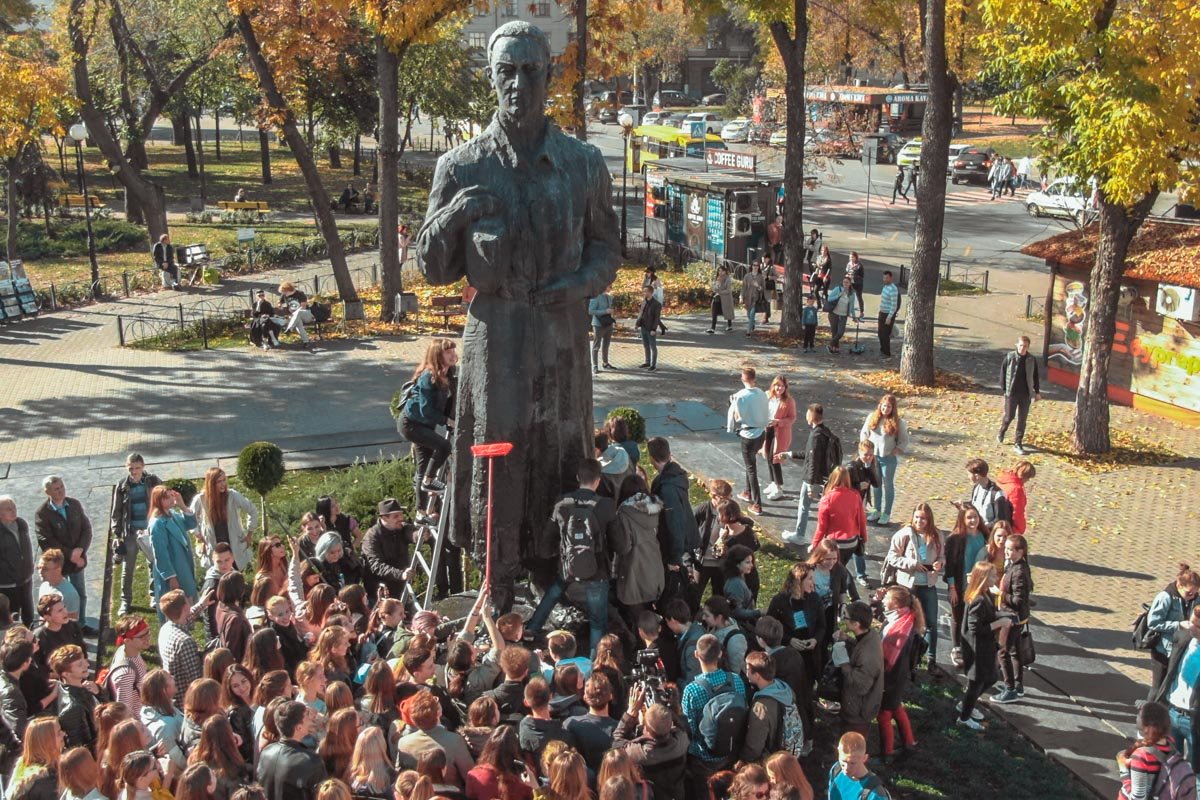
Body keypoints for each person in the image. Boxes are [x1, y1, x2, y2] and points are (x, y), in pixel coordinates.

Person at [415, 22, 620, 615]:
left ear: (548, 76)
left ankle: (555, 575)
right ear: (491, 77)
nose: (518, 84)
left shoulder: (583, 163)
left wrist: (577, 285)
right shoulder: (461, 165)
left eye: (530, 71)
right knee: (497, 455)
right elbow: (432, 267)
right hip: (495, 340)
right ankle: (496, 581)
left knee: (560, 448)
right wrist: (454, 215)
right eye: (506, 71)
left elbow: (608, 247)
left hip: (561, 338)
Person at [528, 459, 620, 655]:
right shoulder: (606, 505)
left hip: (567, 565)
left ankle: (532, 627)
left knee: (554, 592)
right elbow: (618, 542)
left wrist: (550, 554)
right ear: (598, 480)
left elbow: (548, 536)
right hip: (597, 570)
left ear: (578, 478)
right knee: (597, 621)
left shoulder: (562, 503)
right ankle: (595, 659)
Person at [680, 634, 746, 795]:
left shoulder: (692, 690)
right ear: (720, 654)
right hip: (732, 751)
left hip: (703, 757)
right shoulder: (736, 680)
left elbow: (690, 728)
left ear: (696, 655)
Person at [883, 504, 944, 667]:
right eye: (917, 517)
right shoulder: (904, 534)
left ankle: (931, 658)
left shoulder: (937, 535)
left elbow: (942, 556)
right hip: (907, 585)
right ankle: (906, 655)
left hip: (928, 584)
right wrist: (912, 564)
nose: (919, 521)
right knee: (906, 620)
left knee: (931, 622)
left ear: (929, 519)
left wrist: (939, 563)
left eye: (923, 518)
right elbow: (892, 557)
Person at [34, 475, 93, 634]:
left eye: (61, 487)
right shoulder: (42, 514)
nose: (60, 491)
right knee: (59, 597)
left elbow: (86, 529)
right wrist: (70, 553)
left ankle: (80, 625)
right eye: (56, 489)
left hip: (76, 560)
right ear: (47, 492)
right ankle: (62, 628)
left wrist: (80, 550)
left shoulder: (74, 504)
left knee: (79, 594)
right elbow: (46, 541)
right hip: (57, 564)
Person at [402, 340, 458, 504]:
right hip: (411, 424)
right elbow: (425, 410)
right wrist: (447, 421)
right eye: (448, 352)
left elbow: (448, 402)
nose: (453, 354)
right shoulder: (428, 377)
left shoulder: (449, 373)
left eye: (453, 350)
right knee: (444, 446)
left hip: (425, 425)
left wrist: (450, 421)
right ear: (438, 355)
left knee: (424, 465)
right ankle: (429, 480)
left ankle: (421, 511)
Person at [647, 438, 700, 606]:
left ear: (652, 459)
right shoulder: (675, 477)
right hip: (682, 543)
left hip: (677, 548)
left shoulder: (667, 488)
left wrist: (674, 558)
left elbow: (675, 523)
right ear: (669, 454)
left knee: (673, 593)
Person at [956, 563, 1009, 731]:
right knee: (976, 683)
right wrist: (999, 623)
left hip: (985, 647)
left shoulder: (985, 594)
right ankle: (964, 718)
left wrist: (1002, 616)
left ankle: (967, 704)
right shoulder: (978, 600)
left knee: (992, 677)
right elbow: (975, 629)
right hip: (976, 649)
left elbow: (987, 616)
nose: (996, 578)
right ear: (983, 578)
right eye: (993, 575)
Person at [612, 684, 688, 800]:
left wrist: (631, 712)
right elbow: (680, 726)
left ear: (646, 729)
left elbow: (616, 743)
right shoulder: (682, 741)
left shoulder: (638, 754)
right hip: (677, 794)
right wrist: (662, 709)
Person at [109, 454, 161, 616]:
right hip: (131, 532)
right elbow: (116, 511)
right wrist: (117, 533)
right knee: (128, 567)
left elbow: (163, 499)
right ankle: (125, 601)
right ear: (126, 467)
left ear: (143, 467)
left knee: (153, 564)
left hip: (150, 531)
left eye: (137, 468)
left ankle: (154, 596)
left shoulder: (153, 481)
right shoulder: (122, 486)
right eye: (131, 468)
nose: (134, 471)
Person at [876, 587, 924, 761]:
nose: (883, 601)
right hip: (898, 678)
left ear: (895, 603)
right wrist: (876, 600)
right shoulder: (903, 617)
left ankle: (887, 754)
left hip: (892, 678)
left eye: (886, 598)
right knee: (896, 707)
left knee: (884, 714)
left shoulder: (901, 630)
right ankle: (909, 743)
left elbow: (892, 658)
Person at [780, 404, 837, 548]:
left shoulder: (815, 436)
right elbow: (811, 455)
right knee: (825, 509)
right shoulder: (825, 432)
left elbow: (813, 461)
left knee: (804, 506)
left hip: (813, 479)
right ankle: (827, 537)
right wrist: (790, 454)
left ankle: (800, 535)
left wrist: (811, 483)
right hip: (824, 477)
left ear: (811, 416)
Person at [613, 474, 664, 624]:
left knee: (635, 618)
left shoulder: (624, 513)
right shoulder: (656, 509)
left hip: (633, 571)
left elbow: (624, 547)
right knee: (650, 615)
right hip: (654, 567)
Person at [1145, 564, 1200, 701]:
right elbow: (1153, 622)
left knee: (1171, 686)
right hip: (1163, 650)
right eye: (1189, 593)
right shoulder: (1165, 597)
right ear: (1179, 585)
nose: (1192, 596)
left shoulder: (1195, 599)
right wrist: (1178, 625)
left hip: (1181, 648)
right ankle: (1149, 711)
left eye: (1195, 593)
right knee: (1157, 688)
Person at [944, 504, 990, 668]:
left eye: (975, 517)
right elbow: (949, 566)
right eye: (969, 517)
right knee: (958, 616)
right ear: (962, 519)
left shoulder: (985, 535)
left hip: (979, 585)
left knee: (974, 616)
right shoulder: (954, 539)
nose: (973, 520)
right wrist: (952, 588)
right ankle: (957, 647)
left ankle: (971, 647)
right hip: (960, 584)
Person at [190, 468, 259, 571]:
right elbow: (190, 518)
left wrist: (249, 533)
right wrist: (198, 535)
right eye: (219, 482)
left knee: (235, 576)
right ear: (211, 483)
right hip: (214, 547)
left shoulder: (232, 495)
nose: (223, 484)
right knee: (217, 575)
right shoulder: (201, 499)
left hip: (233, 546)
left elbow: (252, 510)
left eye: (224, 480)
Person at [257, 701, 328, 800]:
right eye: (307, 715)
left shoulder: (266, 752)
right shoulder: (311, 762)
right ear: (298, 727)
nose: (311, 719)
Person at [834, 603, 883, 742]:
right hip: (855, 707)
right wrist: (847, 639)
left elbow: (860, 686)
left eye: (846, 617)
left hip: (859, 712)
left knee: (852, 745)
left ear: (856, 624)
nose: (843, 619)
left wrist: (843, 662)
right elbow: (860, 646)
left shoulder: (868, 655)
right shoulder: (870, 635)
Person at [860, 394, 910, 527]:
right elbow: (864, 433)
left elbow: (904, 440)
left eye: (889, 407)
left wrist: (897, 450)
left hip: (888, 459)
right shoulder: (872, 417)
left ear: (893, 408)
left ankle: (886, 513)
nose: (885, 409)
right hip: (874, 457)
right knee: (876, 484)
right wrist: (865, 446)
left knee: (888, 485)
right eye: (884, 406)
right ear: (880, 405)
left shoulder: (898, 422)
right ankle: (876, 510)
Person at [995, 533, 1033, 704]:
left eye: (1010, 549)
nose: (1006, 552)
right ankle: (1018, 686)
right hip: (1017, 617)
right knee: (1015, 651)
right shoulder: (1017, 565)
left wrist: (1000, 594)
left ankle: (1009, 689)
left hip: (1012, 617)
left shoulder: (1019, 571)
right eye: (1006, 548)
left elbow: (1018, 600)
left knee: (1003, 652)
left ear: (1020, 551)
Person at [739, 652, 796, 763]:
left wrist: (743, 759)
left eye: (747, 669)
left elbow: (754, 746)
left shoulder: (761, 707)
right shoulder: (784, 688)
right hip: (790, 747)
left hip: (773, 757)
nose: (746, 672)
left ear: (757, 676)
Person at [727, 367, 769, 515]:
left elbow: (737, 417)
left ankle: (757, 504)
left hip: (748, 436)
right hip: (761, 434)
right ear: (754, 378)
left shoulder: (740, 396)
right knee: (749, 463)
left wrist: (732, 403)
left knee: (751, 468)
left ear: (742, 379)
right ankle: (747, 491)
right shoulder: (762, 393)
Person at [1116, 702, 1176, 800]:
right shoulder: (1170, 744)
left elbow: (1137, 798)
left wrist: (1123, 770)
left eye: (1139, 714)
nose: (1137, 716)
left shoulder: (1141, 757)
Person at [158, 590, 208, 706]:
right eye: (187, 599)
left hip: (173, 699)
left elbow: (187, 618)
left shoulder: (165, 629)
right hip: (187, 702)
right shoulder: (185, 642)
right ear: (185, 607)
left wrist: (202, 604)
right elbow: (196, 680)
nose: (190, 600)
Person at [810, 467, 867, 567]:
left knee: (832, 570)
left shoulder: (827, 499)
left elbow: (821, 526)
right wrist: (864, 537)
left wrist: (815, 544)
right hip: (852, 542)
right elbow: (861, 520)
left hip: (834, 543)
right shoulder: (855, 495)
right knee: (841, 568)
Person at [998, 336, 1041, 455]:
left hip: (1025, 394)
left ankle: (1018, 443)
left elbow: (1035, 376)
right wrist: (1004, 389)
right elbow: (1003, 372)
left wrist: (1037, 392)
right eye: (1021, 345)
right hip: (1011, 393)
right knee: (1009, 416)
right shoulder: (1010, 357)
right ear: (1017, 345)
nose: (1022, 348)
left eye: (1025, 346)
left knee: (1022, 419)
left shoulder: (1031, 360)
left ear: (1028, 347)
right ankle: (1002, 431)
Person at [0, 497, 35, 625]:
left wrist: (29, 566)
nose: (13, 511)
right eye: (8, 509)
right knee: (12, 617)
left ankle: (30, 632)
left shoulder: (21, 524)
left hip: (25, 578)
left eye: (14, 507)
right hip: (8, 584)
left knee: (28, 612)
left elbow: (26, 548)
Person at [827, 731, 892, 800]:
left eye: (852, 763)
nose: (846, 768)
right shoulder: (836, 770)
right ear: (838, 752)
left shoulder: (875, 793)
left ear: (864, 758)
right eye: (843, 762)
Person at [762, 375, 796, 502]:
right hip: (767, 430)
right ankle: (773, 482)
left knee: (776, 458)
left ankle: (779, 486)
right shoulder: (767, 396)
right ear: (773, 385)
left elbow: (792, 418)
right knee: (768, 456)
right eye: (777, 385)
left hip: (780, 433)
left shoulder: (789, 401)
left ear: (785, 387)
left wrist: (778, 422)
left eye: (782, 386)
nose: (779, 388)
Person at [107, 616, 150, 715]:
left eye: (147, 632)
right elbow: (124, 711)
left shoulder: (130, 651)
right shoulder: (126, 673)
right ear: (127, 641)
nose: (147, 638)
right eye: (142, 637)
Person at [966, 458, 1010, 531]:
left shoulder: (997, 495)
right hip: (976, 530)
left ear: (977, 476)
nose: (968, 477)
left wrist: (983, 527)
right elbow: (975, 504)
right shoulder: (977, 487)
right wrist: (962, 505)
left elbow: (1000, 520)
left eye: (969, 474)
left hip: (988, 533)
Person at [994, 461, 1035, 534]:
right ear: (1024, 476)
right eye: (1028, 477)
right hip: (1008, 528)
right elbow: (1017, 513)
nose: (1028, 480)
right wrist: (1019, 530)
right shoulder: (1016, 489)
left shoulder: (1002, 480)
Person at [276, 281, 316, 348]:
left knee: (298, 312)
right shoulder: (284, 295)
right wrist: (279, 304)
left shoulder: (300, 294)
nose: (284, 294)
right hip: (295, 318)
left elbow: (303, 307)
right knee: (298, 323)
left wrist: (294, 314)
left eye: (284, 292)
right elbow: (279, 301)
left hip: (306, 314)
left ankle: (290, 328)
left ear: (288, 290)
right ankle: (306, 342)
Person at [824, 277, 858, 354]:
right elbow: (829, 299)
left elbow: (852, 307)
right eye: (844, 282)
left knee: (840, 332)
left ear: (850, 284)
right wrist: (838, 295)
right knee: (834, 332)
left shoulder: (852, 294)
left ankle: (830, 344)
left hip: (843, 315)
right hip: (834, 313)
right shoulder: (837, 289)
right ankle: (835, 349)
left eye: (847, 282)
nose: (845, 284)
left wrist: (854, 317)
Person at [589, 287, 616, 374]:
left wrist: (612, 311)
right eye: (609, 286)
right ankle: (595, 365)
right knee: (596, 346)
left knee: (606, 345)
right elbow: (590, 311)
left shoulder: (609, 297)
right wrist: (605, 311)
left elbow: (610, 309)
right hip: (598, 325)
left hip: (608, 324)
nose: (610, 287)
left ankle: (605, 363)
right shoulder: (595, 297)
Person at [636, 285, 662, 371]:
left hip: (650, 328)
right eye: (643, 291)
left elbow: (656, 318)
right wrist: (637, 323)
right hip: (643, 327)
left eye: (646, 291)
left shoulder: (657, 304)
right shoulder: (644, 302)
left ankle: (653, 365)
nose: (644, 293)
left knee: (653, 346)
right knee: (646, 345)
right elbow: (641, 313)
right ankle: (647, 362)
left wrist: (654, 329)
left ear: (651, 292)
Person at [876, 271, 901, 359]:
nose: (885, 279)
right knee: (880, 333)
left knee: (885, 334)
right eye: (884, 278)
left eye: (887, 278)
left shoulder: (893, 289)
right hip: (882, 312)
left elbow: (894, 305)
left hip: (888, 314)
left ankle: (886, 353)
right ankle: (882, 350)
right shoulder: (885, 286)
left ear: (891, 278)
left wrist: (889, 317)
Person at [706, 266, 735, 334]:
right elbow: (714, 289)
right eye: (719, 271)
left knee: (727, 312)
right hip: (717, 298)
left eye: (722, 271)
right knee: (714, 312)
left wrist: (720, 292)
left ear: (725, 271)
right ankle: (712, 328)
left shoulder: (728, 279)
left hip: (725, 298)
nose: (720, 272)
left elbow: (728, 290)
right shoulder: (717, 278)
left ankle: (729, 325)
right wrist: (717, 284)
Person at [741, 264, 764, 335]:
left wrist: (758, 286)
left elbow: (763, 289)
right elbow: (743, 287)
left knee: (752, 313)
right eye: (754, 265)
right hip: (747, 298)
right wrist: (741, 297)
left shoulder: (761, 277)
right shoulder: (747, 276)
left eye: (757, 265)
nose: (755, 266)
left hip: (756, 298)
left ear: (758, 267)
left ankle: (748, 331)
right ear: (752, 266)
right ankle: (752, 323)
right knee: (749, 314)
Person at [844, 252, 865, 320]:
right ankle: (848, 311)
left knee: (859, 297)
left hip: (858, 283)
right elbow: (846, 272)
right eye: (850, 257)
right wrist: (847, 276)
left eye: (852, 257)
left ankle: (862, 313)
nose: (851, 258)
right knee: (849, 297)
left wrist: (854, 276)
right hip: (851, 283)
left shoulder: (859, 265)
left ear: (856, 257)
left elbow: (862, 276)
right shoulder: (848, 264)